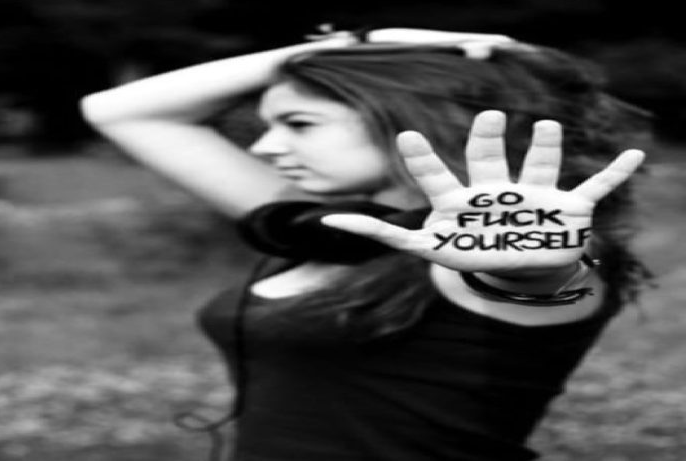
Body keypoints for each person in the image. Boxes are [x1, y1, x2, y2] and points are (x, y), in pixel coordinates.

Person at [79, 27, 652, 461]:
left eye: (300, 124)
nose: (265, 148)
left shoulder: (500, 253)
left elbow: (535, 280)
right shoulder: (328, 228)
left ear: (410, 121)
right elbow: (119, 110)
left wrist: (534, 266)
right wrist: (362, 43)